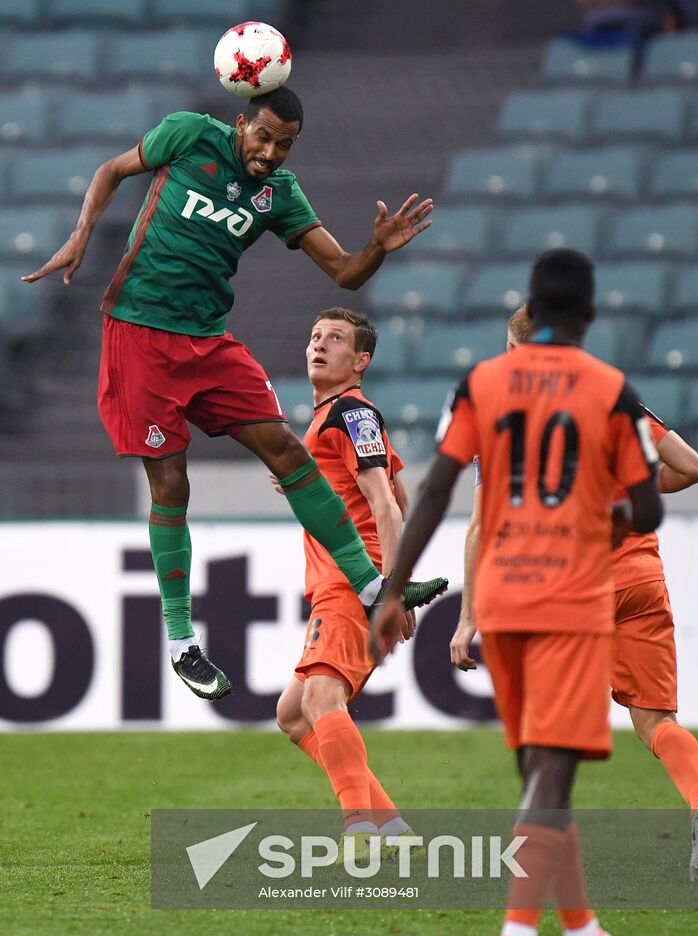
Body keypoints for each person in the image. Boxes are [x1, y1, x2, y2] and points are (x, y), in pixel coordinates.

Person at [21, 87, 446, 701]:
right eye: (264, 137)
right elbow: (112, 169)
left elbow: (346, 272)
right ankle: (180, 641)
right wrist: (82, 232)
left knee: (288, 450)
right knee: (171, 483)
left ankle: (370, 583)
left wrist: (377, 246)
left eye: (285, 145)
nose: (270, 153)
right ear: (241, 122)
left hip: (209, 342)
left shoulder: (280, 193)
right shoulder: (189, 133)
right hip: (139, 335)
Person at [370, 249, 663, 936]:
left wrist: (391, 587)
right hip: (568, 598)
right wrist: (593, 512)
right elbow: (649, 504)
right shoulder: (611, 391)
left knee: (536, 765)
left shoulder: (481, 383)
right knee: (553, 770)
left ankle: (583, 928)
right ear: (588, 314)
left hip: (501, 595)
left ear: (528, 309)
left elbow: (436, 490)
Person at [451, 305, 698, 882]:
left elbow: (482, 525)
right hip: (640, 577)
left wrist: (468, 616)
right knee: (657, 721)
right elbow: (691, 468)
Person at [276, 306, 424, 858]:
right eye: (315, 336)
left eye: (335, 339)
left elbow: (385, 504)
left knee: (320, 695)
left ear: (359, 361)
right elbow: (400, 495)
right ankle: (390, 827)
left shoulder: (351, 413)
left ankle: (358, 825)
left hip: (352, 579)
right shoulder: (334, 419)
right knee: (292, 714)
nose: (319, 345)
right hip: (341, 581)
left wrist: (390, 588)